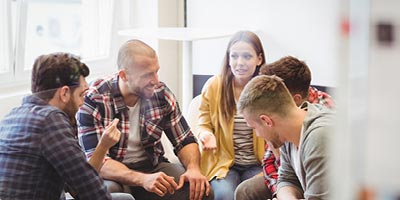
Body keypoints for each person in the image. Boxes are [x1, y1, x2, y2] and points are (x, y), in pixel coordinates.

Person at [77, 39, 213, 200]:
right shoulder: (95, 99)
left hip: (152, 167)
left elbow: (184, 139)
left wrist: (193, 168)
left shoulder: (160, 93)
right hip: (112, 174)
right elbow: (98, 162)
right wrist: (142, 179)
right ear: (124, 75)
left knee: (200, 191)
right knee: (111, 193)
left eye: (156, 71)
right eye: (148, 74)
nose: (156, 80)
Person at [0, 53, 134, 200]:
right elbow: (92, 191)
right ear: (64, 93)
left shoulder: (12, 116)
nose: (82, 102)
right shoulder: (51, 120)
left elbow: (77, 184)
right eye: (81, 95)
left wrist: (102, 146)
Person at [235, 55, 334, 200]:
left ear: (267, 121)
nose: (257, 134)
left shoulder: (319, 136)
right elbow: (287, 178)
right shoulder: (288, 132)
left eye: (254, 127)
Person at [197, 30, 266, 200]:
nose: (239, 62)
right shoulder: (214, 86)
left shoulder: (267, 89)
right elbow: (202, 122)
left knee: (250, 194)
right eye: (234, 56)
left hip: (258, 164)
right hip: (224, 164)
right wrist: (206, 135)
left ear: (259, 59)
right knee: (225, 195)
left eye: (247, 57)